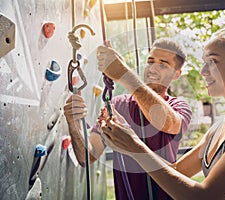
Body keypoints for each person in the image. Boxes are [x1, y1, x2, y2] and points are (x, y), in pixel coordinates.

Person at [99, 25, 225, 200]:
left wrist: (134, 146)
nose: (203, 71)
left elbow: (204, 197)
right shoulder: (220, 127)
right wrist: (127, 141)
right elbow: (175, 173)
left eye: (213, 61)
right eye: (204, 62)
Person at [63, 38, 192, 199]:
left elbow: (166, 122)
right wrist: (73, 123)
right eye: (150, 61)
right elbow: (87, 156)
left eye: (163, 64)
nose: (152, 68)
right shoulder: (118, 104)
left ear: (176, 74)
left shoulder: (179, 107)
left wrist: (124, 74)